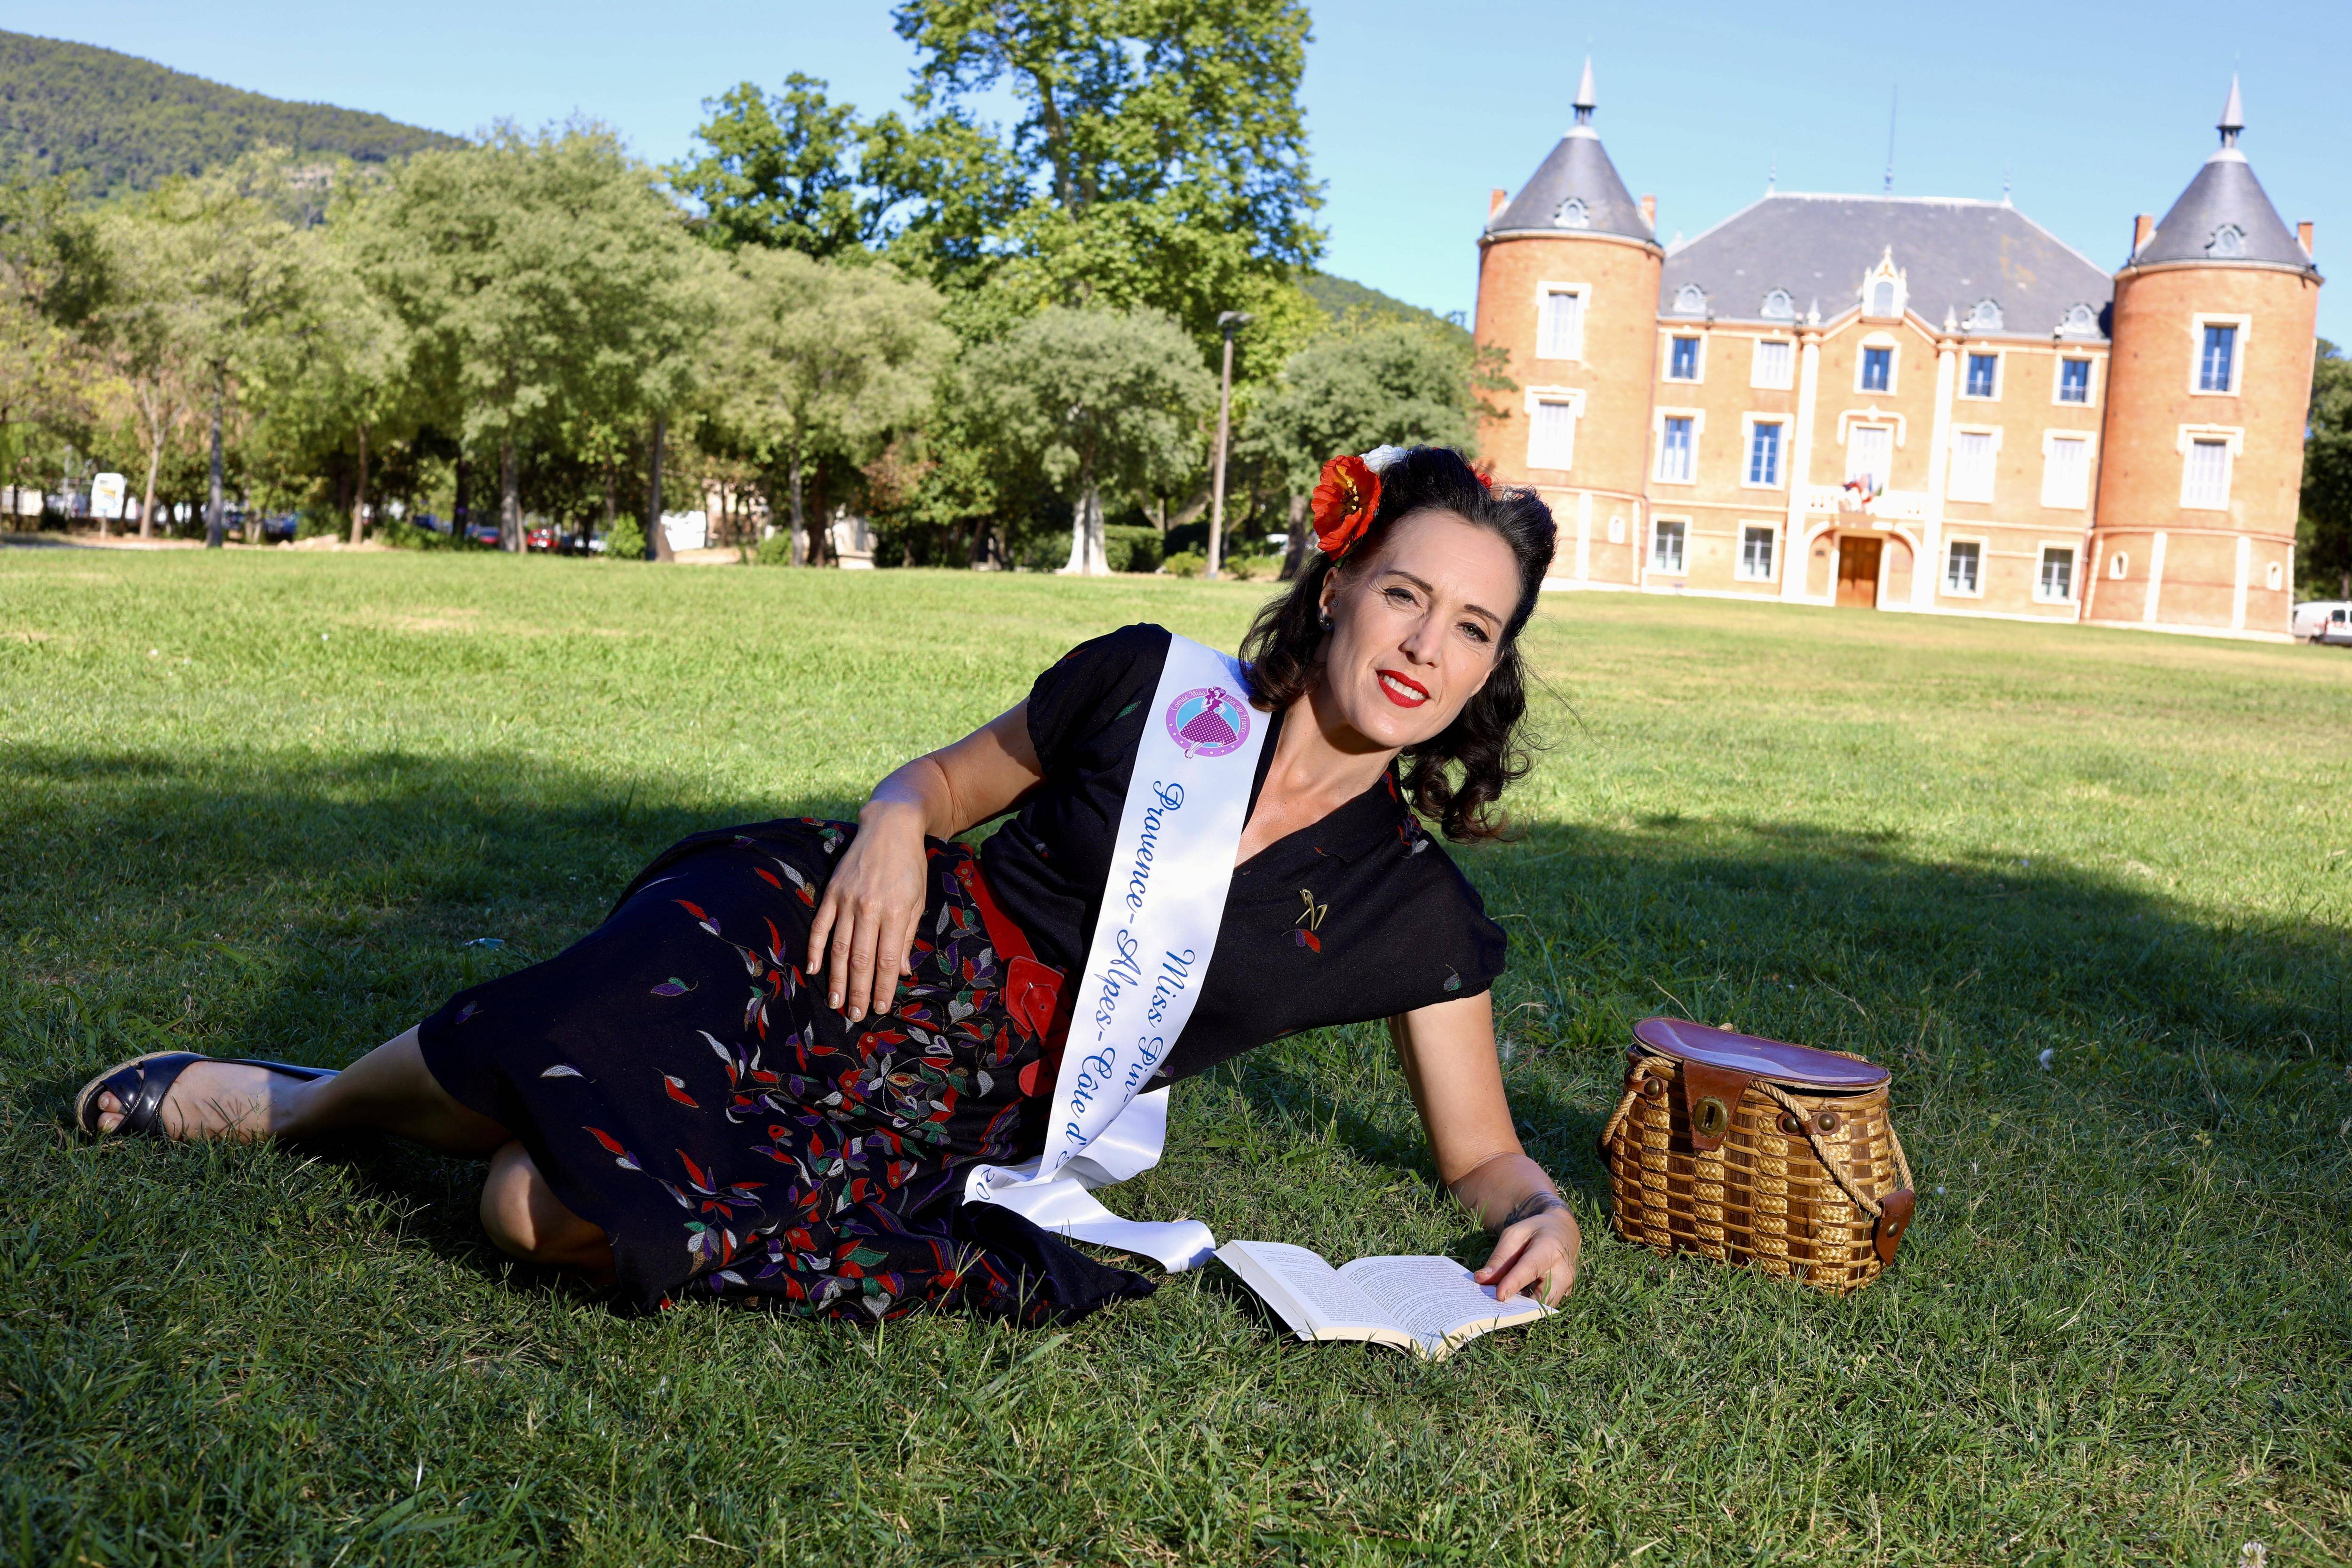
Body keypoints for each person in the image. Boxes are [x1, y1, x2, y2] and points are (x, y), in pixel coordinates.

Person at [78, 445, 1581, 1324]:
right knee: (580, 1037)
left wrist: (1544, 1212)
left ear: (1489, 668)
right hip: (855, 939)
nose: (1421, 648)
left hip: (957, 1108)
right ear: (1336, 587)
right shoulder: (1148, 692)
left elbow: (1482, 1157)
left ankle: (382, 1108)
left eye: (1469, 628)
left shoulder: (1418, 915)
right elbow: (938, 787)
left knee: (535, 1213)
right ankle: (304, 1110)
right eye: (1403, 594)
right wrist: (885, 822)